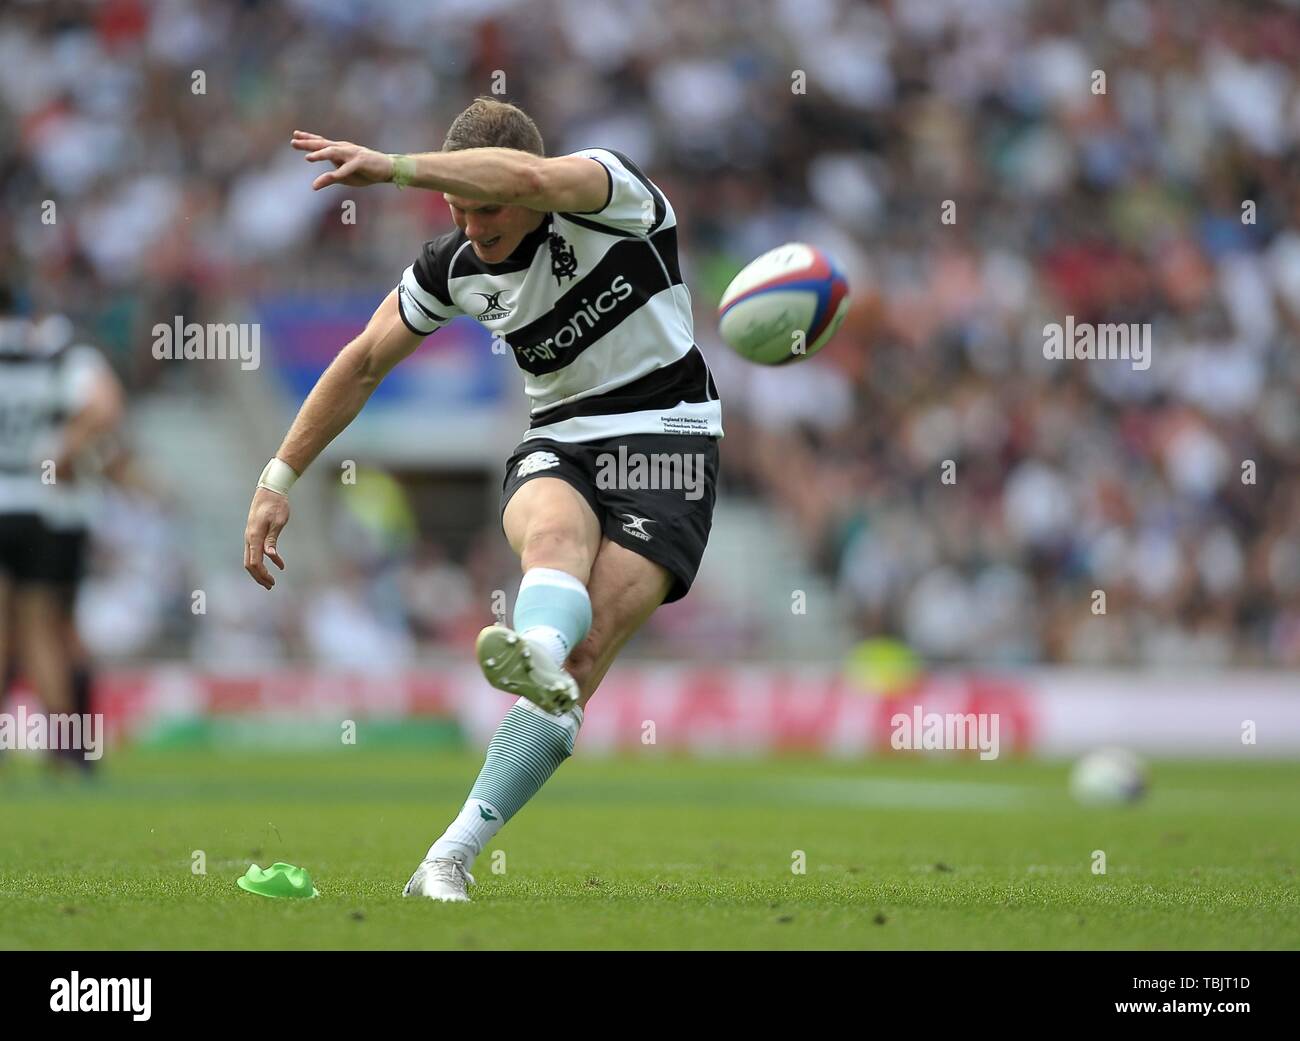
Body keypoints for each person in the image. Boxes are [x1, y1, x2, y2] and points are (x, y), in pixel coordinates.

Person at [243, 97, 722, 901]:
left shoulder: (612, 192)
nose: (470, 225)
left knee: (587, 653)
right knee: (550, 537)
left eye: (485, 205)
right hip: (562, 435)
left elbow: (528, 174)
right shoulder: (453, 267)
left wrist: (395, 166)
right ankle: (532, 649)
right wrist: (277, 477)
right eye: (456, 208)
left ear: (526, 191)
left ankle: (451, 850)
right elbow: (362, 362)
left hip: (667, 440)